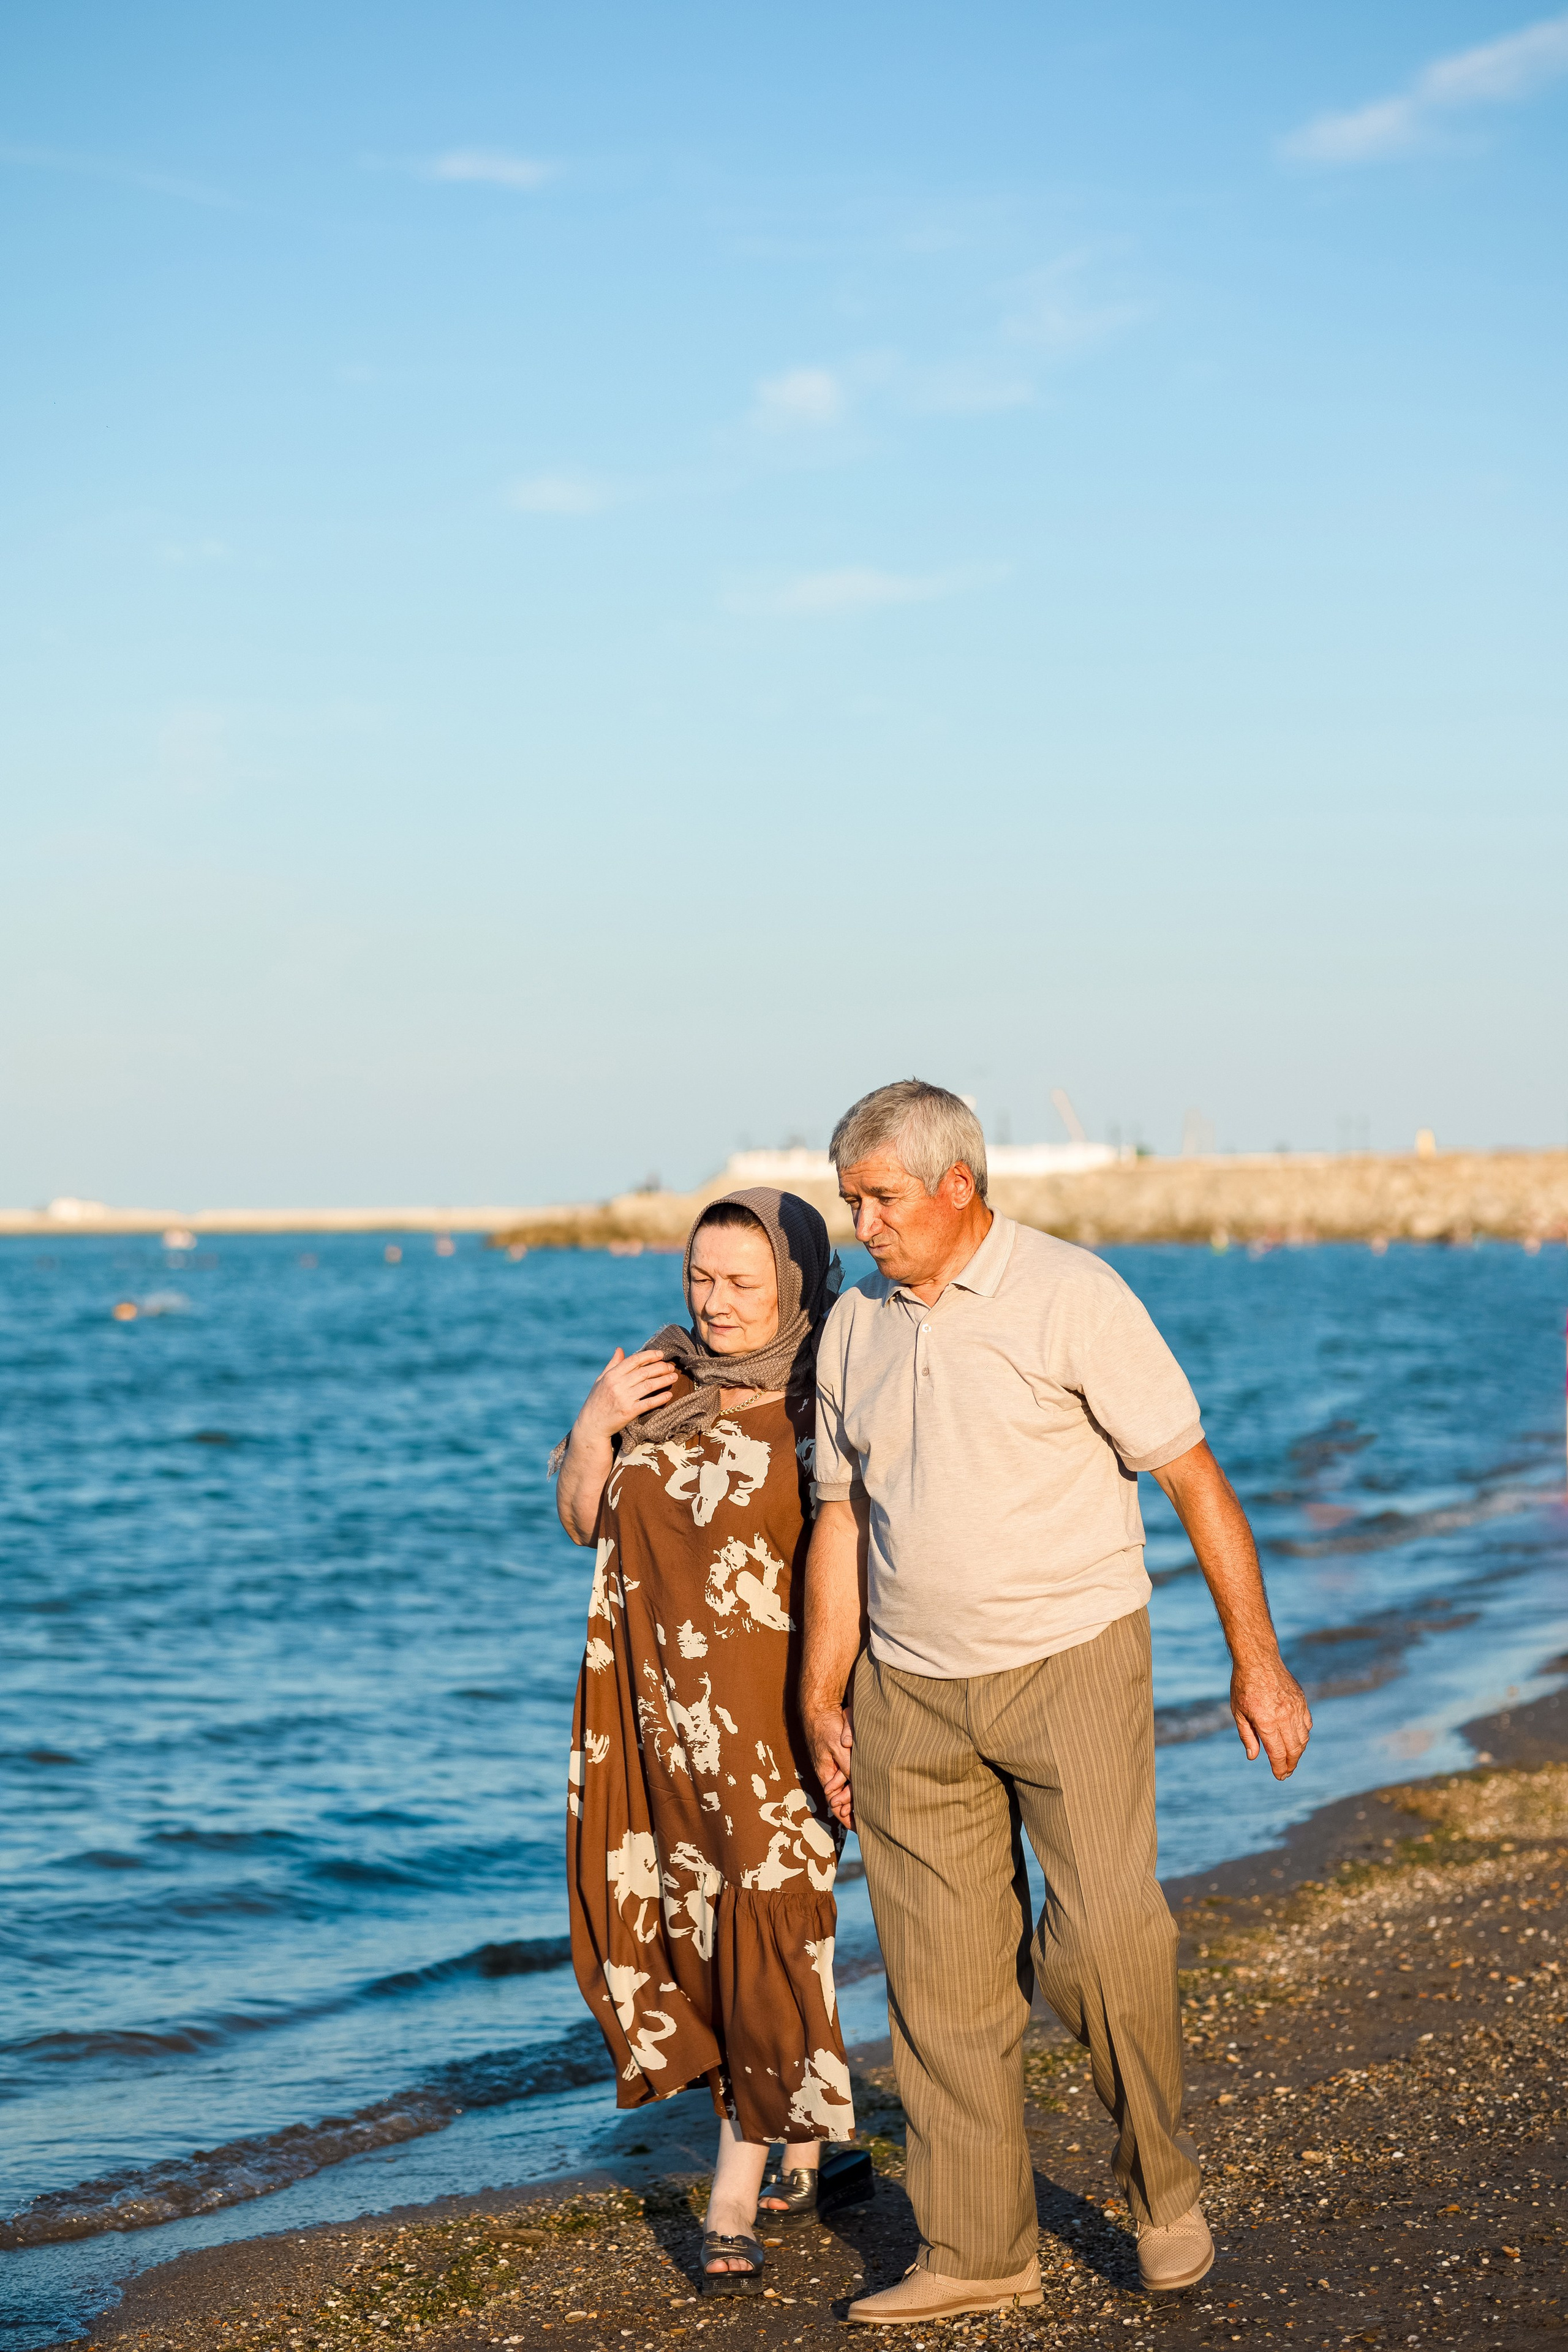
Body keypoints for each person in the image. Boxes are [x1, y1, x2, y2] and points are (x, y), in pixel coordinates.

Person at [800, 1080, 1313, 2326]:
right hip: (908, 1690)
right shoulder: (855, 1330)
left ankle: (1160, 2192)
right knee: (936, 1988)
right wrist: (823, 1692)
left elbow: (1189, 1473)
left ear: (957, 1187)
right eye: (850, 1200)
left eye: (880, 1199)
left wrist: (1256, 1660)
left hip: (1069, 1658)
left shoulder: (1072, 1293)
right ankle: (976, 2248)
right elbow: (838, 1516)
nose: (861, 1225)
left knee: (1103, 1946)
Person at [558, 1188, 868, 2295]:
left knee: (767, 1923)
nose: (716, 1302)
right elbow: (583, 1517)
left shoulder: (834, 1383)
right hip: (647, 1712)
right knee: (685, 1924)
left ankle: (733, 2197)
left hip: (777, 1705)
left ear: (794, 1282)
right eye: (701, 1277)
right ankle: (807, 2142)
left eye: (744, 1283)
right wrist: (597, 1423)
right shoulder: (660, 1377)